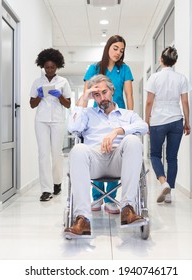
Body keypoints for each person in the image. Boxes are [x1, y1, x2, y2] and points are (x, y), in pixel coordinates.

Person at [64, 74, 148, 239]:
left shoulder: (127, 115)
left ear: (112, 91)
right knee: (78, 149)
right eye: (96, 94)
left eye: (104, 92)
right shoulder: (87, 114)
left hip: (120, 159)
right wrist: (84, 98)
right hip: (94, 160)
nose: (102, 97)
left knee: (132, 140)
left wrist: (117, 131)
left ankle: (128, 209)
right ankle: (83, 219)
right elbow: (73, 127)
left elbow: (144, 127)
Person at [83, 35, 134, 214]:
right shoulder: (94, 68)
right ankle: (97, 197)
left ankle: (111, 199)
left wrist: (129, 117)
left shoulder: (124, 69)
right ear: (108, 48)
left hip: (117, 114)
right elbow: (86, 93)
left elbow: (129, 95)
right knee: (97, 147)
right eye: (115, 48)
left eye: (121, 50)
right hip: (98, 114)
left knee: (114, 148)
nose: (118, 53)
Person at [145, 46, 191, 204]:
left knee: (155, 155)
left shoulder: (154, 78)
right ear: (175, 61)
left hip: (158, 120)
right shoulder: (181, 78)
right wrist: (187, 121)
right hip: (176, 120)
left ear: (161, 60)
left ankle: (163, 182)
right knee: (172, 158)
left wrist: (147, 120)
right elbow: (184, 102)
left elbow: (149, 101)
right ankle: (169, 192)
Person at [29, 48, 71, 201]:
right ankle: (46, 190)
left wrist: (59, 96)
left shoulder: (63, 82)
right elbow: (32, 104)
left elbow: (67, 104)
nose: (50, 70)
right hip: (41, 121)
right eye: (47, 67)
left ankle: (57, 182)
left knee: (57, 153)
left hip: (58, 121)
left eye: (53, 67)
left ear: (57, 66)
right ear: (43, 66)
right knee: (43, 154)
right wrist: (40, 96)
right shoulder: (37, 82)